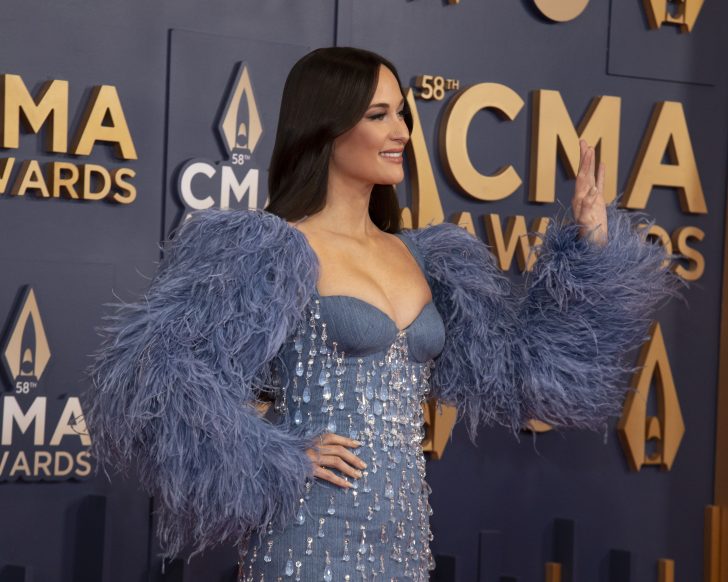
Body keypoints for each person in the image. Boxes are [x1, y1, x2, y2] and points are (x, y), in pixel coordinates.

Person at [85, 47, 677, 581]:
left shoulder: (427, 258)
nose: (401, 132)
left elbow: (526, 373)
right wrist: (275, 453)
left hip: (404, 539)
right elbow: (155, 375)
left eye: (403, 114)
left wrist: (592, 244)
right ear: (325, 125)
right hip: (307, 537)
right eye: (379, 115)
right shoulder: (269, 249)